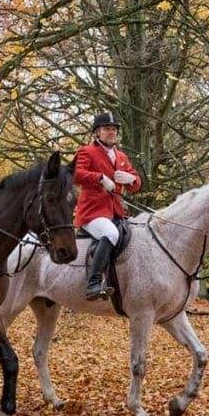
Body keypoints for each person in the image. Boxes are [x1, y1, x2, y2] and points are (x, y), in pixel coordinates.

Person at [73, 113, 142, 299]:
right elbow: (76, 174)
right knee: (110, 234)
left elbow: (136, 184)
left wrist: (132, 179)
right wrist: (100, 178)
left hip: (117, 212)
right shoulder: (87, 151)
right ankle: (93, 283)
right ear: (97, 132)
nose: (111, 132)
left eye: (114, 129)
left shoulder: (121, 156)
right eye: (106, 129)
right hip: (93, 212)